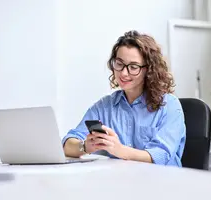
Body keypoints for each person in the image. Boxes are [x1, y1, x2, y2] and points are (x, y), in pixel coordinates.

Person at [62, 30, 186, 166]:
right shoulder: (104, 107)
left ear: (149, 70)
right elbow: (67, 144)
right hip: (121, 182)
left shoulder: (169, 105)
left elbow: (161, 155)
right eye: (119, 64)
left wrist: (119, 150)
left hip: (162, 183)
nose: (123, 73)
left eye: (133, 67)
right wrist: (85, 147)